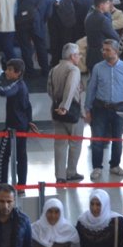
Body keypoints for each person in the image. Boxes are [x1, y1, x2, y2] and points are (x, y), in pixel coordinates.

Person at [84, 40, 123, 180]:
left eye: (107, 49)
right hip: (100, 108)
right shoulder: (98, 68)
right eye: (103, 49)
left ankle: (115, 165)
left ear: (115, 51)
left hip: (120, 109)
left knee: (118, 139)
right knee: (97, 139)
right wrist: (87, 109)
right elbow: (91, 89)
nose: (103, 52)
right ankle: (96, 167)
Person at [49, 43, 85, 182]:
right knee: (75, 143)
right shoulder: (73, 70)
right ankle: (71, 171)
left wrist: (58, 103)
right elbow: (70, 88)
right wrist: (65, 106)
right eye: (78, 55)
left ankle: (60, 175)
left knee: (59, 144)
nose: (79, 57)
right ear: (72, 56)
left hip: (56, 110)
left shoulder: (54, 69)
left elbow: (49, 89)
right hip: (71, 112)